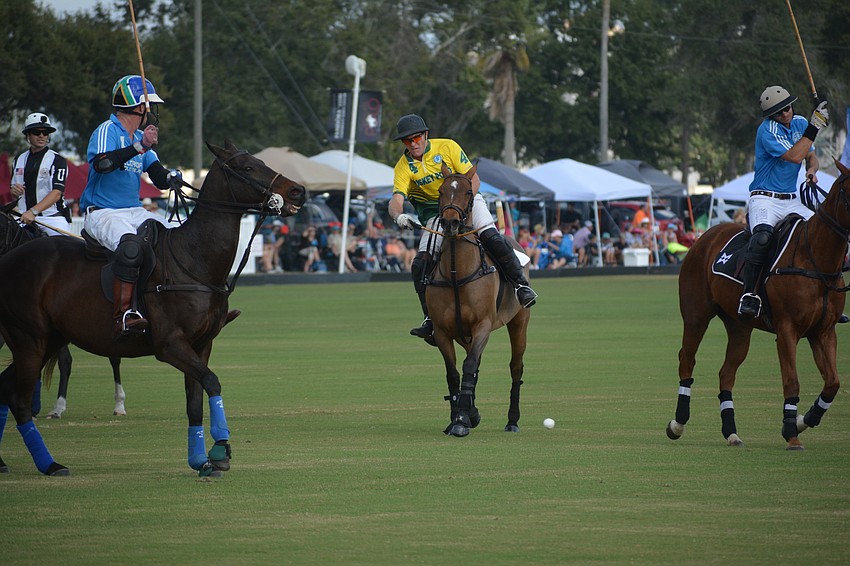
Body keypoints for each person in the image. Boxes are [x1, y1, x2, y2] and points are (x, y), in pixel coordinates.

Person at [388, 114, 537, 345]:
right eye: (407, 141)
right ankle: (429, 318)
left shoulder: (448, 147)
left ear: (425, 135)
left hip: (467, 201)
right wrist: (399, 216)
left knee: (491, 236)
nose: (413, 143)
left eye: (416, 137)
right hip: (435, 216)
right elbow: (396, 199)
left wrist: (466, 206)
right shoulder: (403, 167)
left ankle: (521, 286)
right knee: (420, 263)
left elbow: (473, 179)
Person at [80, 75, 181, 337]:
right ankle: (124, 314)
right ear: (137, 106)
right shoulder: (107, 130)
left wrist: (172, 178)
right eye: (149, 105)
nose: (151, 110)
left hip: (133, 210)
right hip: (102, 211)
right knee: (131, 247)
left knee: (174, 239)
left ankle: (177, 307)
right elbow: (102, 164)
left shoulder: (141, 137)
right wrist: (139, 147)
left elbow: (158, 178)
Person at [738, 85, 828, 318]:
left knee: (823, 232)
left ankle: (827, 293)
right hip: (764, 199)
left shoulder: (799, 123)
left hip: (791, 199)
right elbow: (794, 156)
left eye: (787, 108)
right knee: (763, 238)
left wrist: (811, 170)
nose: (785, 114)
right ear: (771, 116)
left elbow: (809, 155)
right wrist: (815, 126)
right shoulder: (766, 130)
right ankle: (750, 295)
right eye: (779, 112)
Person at [11, 113, 71, 236]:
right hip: (23, 217)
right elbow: (13, 193)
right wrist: (14, 191)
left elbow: (56, 193)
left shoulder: (57, 160)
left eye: (46, 133)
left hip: (52, 218)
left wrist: (33, 212)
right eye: (37, 132)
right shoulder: (18, 159)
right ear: (28, 135)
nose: (42, 136)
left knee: (66, 250)